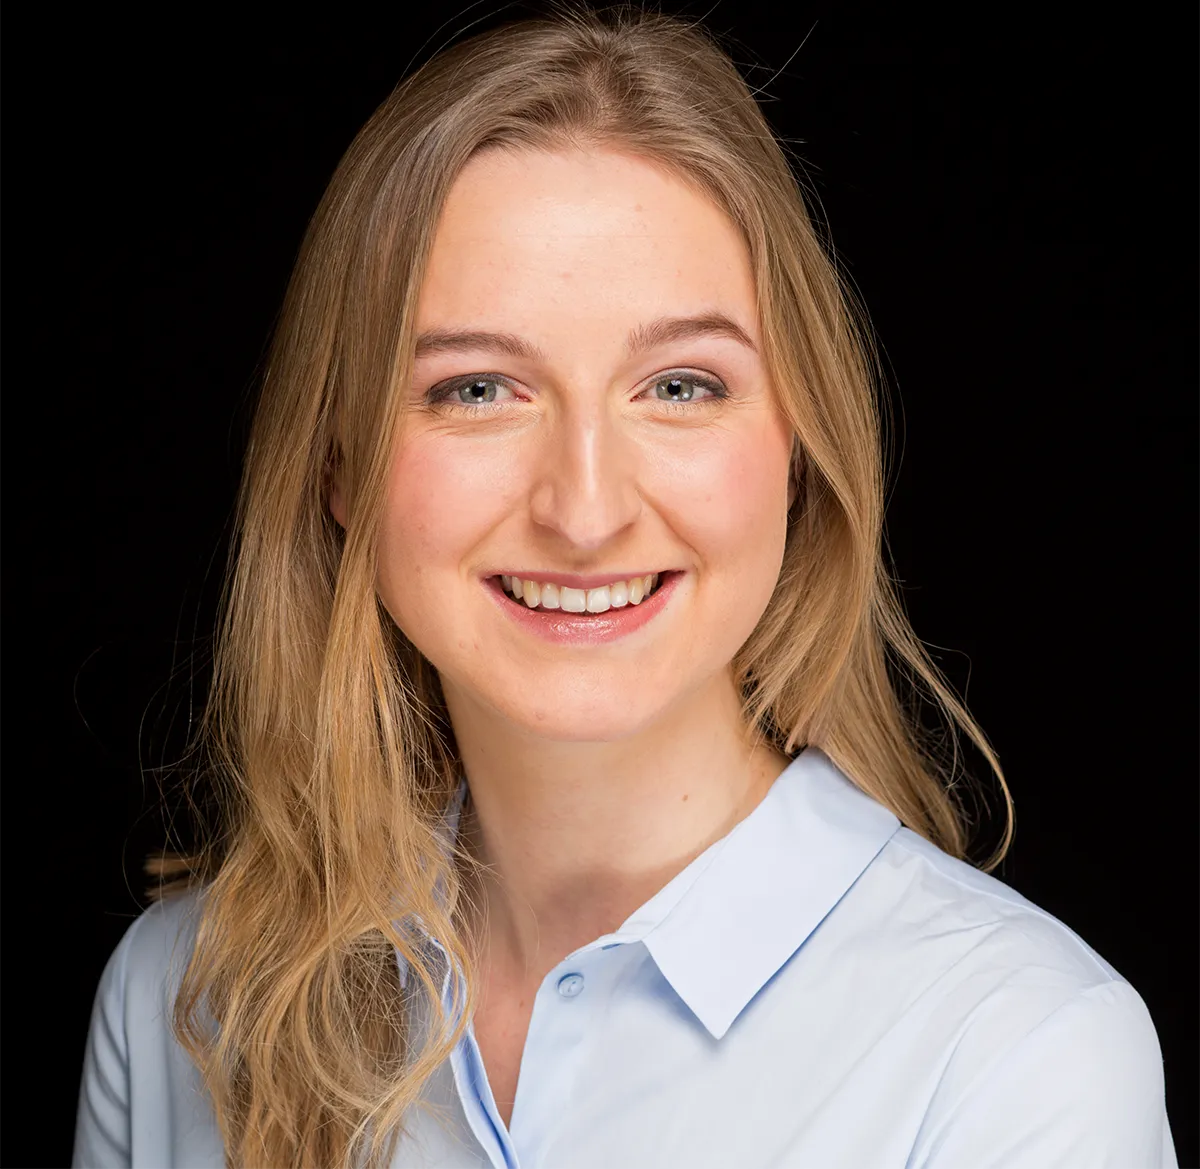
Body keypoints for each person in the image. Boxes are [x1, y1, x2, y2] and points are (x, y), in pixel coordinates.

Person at [72, 8, 1177, 1168]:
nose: (585, 509)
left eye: (683, 385)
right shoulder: (182, 1001)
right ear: (338, 462)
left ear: (796, 449)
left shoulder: (1015, 1052)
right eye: (479, 389)